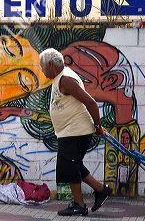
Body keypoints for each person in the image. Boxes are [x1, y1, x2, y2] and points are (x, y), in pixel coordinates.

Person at [39, 48, 112, 216]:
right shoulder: (61, 77)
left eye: (43, 67)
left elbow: (91, 103)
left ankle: (79, 205)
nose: (42, 70)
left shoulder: (65, 79)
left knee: (71, 168)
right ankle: (101, 190)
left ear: (51, 64)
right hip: (70, 131)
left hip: (76, 131)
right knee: (74, 165)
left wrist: (98, 126)